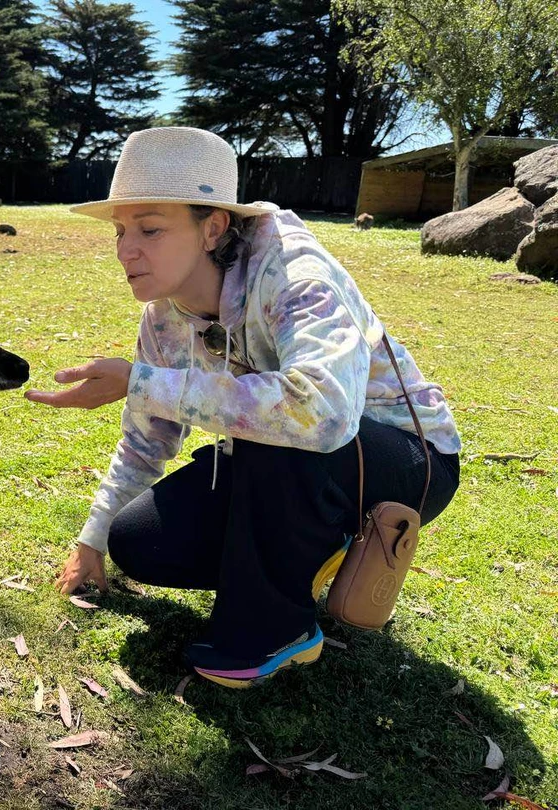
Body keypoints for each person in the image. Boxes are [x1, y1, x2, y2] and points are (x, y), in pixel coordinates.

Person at [25, 127, 461, 688]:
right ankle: (312, 546)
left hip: (406, 461)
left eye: (151, 229)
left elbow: (322, 411)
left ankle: (275, 628)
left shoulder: (295, 274)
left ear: (213, 227)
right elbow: (146, 437)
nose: (126, 251)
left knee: (274, 419)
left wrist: (142, 382)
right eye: (120, 230)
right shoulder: (163, 318)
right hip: (281, 468)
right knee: (139, 542)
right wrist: (93, 537)